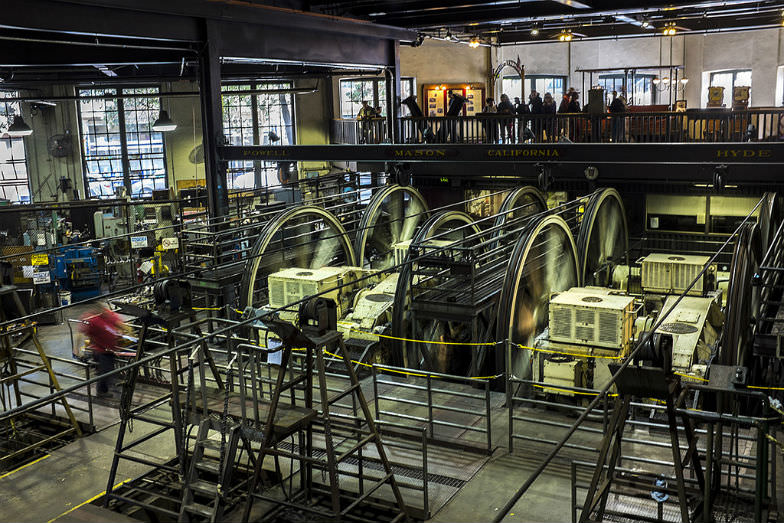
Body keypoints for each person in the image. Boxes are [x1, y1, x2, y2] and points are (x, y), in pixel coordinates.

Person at [79, 302, 124, 396]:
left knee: (109, 370)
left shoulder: (108, 314)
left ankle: (110, 387)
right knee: (105, 371)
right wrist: (76, 350)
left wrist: (123, 330)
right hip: (101, 351)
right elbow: (80, 332)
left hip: (110, 349)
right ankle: (102, 391)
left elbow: (118, 322)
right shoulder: (92, 319)